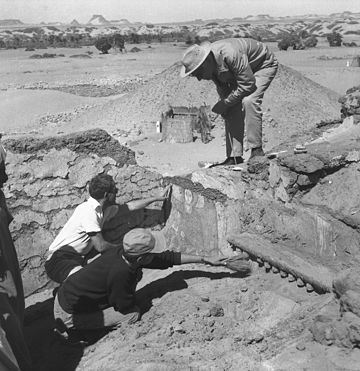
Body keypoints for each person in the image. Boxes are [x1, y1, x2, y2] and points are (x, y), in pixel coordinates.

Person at [53, 228, 226, 335]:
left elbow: (166, 258)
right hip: (68, 314)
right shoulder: (120, 273)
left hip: (66, 294)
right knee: (133, 314)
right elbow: (123, 304)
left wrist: (204, 259)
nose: (154, 255)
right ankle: (76, 332)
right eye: (151, 252)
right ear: (141, 257)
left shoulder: (124, 252)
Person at [45, 173, 169, 285]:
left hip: (78, 258)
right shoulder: (89, 211)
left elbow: (131, 206)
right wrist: (126, 248)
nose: (117, 191)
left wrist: (156, 198)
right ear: (106, 195)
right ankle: (62, 295)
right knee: (81, 280)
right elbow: (101, 246)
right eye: (114, 190)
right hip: (58, 259)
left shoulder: (105, 210)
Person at [180, 38, 278, 165]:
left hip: (262, 66)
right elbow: (222, 87)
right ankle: (234, 157)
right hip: (241, 73)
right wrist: (225, 105)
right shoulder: (211, 66)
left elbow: (248, 84)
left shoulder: (230, 54)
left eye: (198, 73)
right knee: (230, 108)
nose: (199, 79)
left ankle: (257, 150)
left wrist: (225, 103)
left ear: (205, 63)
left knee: (249, 100)